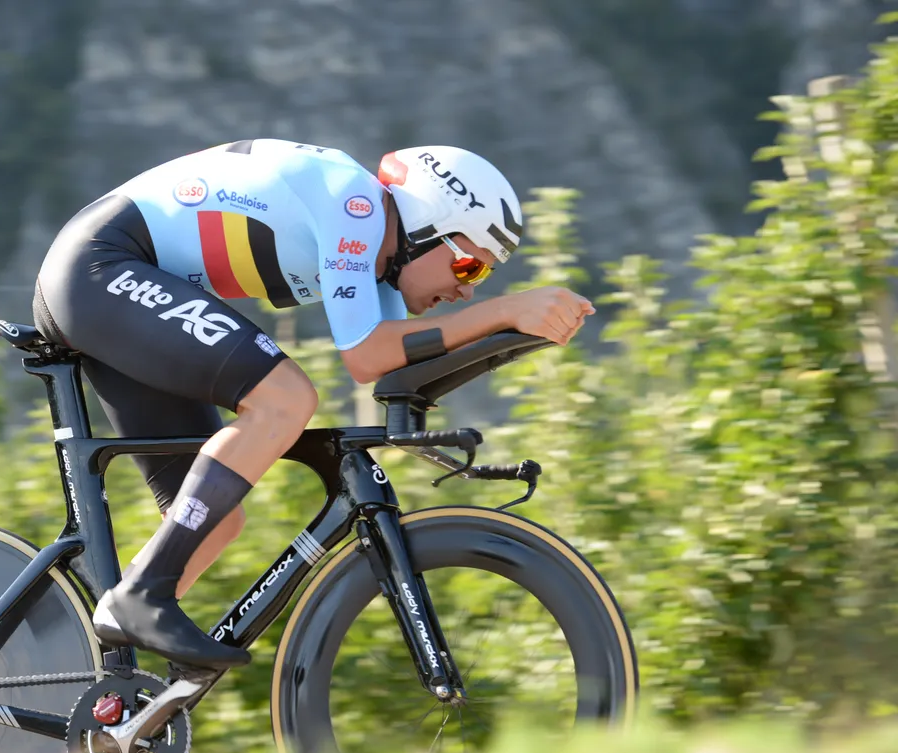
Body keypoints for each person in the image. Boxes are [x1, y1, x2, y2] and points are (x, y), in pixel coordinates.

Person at [31, 139, 594, 670]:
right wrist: (505, 312)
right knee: (284, 398)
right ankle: (142, 595)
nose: (468, 289)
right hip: (100, 266)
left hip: (123, 289)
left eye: (484, 277)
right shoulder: (356, 207)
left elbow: (399, 368)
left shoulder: (383, 266)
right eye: (468, 266)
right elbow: (366, 356)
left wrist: (517, 339)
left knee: (213, 521)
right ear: (425, 229)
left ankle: (85, 672)